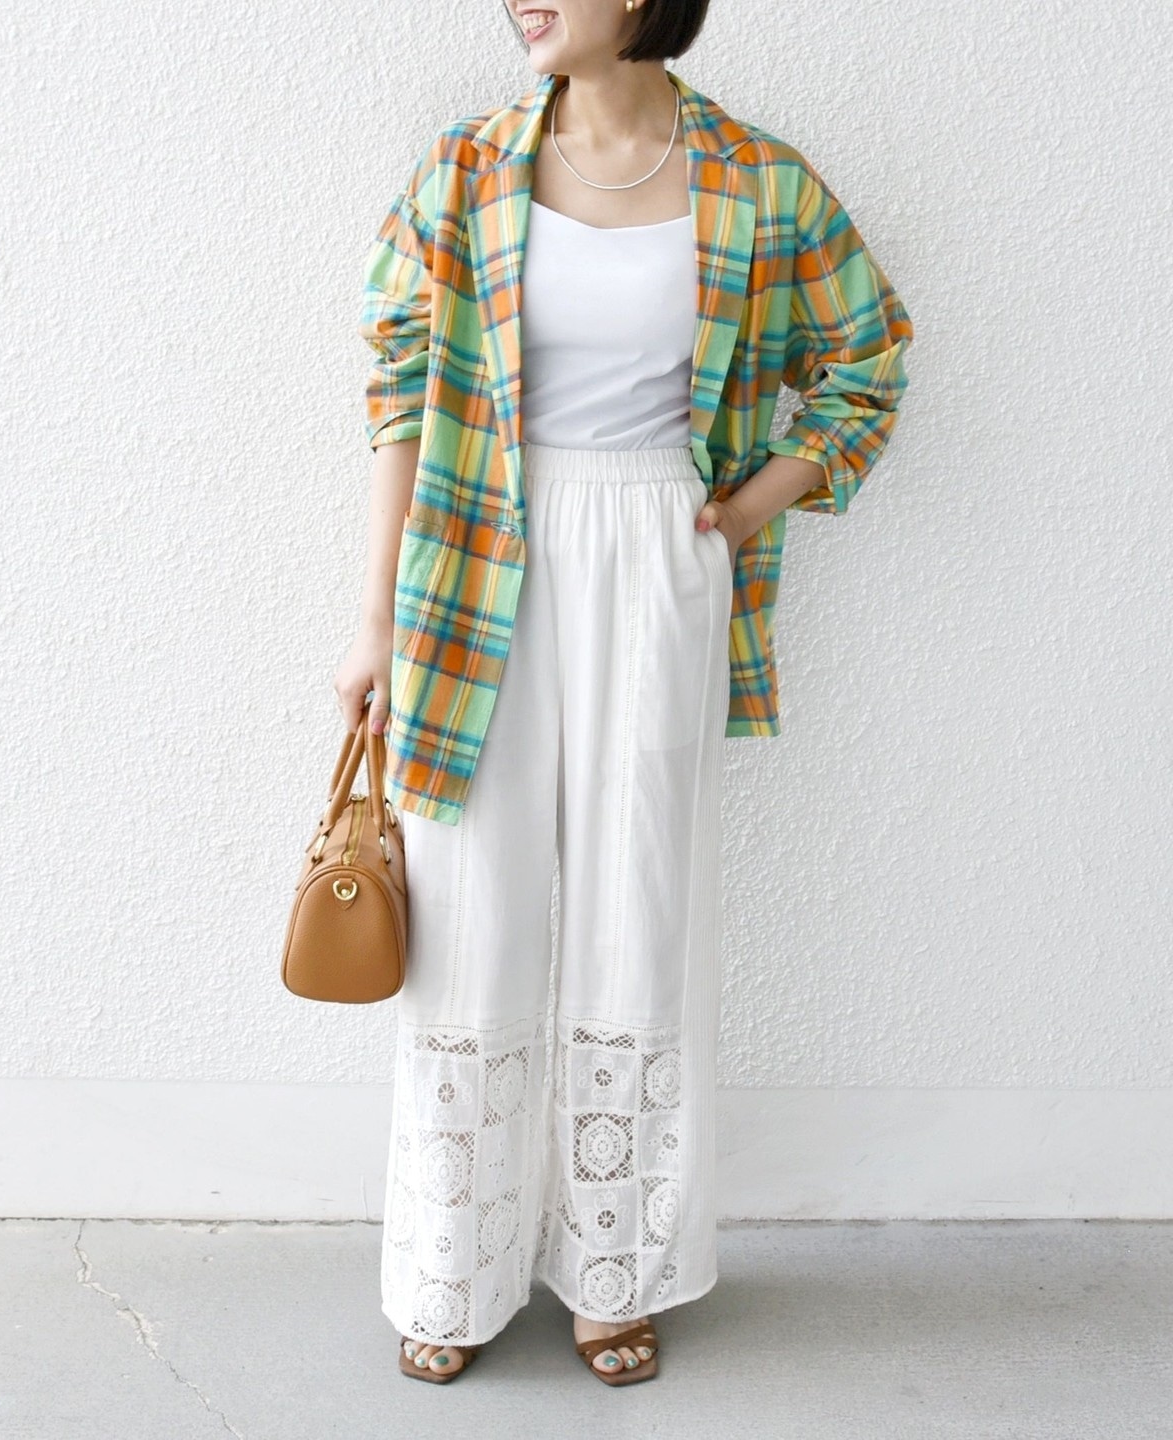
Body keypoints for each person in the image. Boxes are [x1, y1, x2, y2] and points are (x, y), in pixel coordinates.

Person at [332, 0, 913, 1387]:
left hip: (657, 550)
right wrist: (374, 624)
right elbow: (401, 387)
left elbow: (872, 359)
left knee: (637, 905)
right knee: (467, 906)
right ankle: (451, 1269)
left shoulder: (759, 180)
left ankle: (617, 1272)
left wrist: (746, 507)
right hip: (478, 550)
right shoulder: (466, 169)